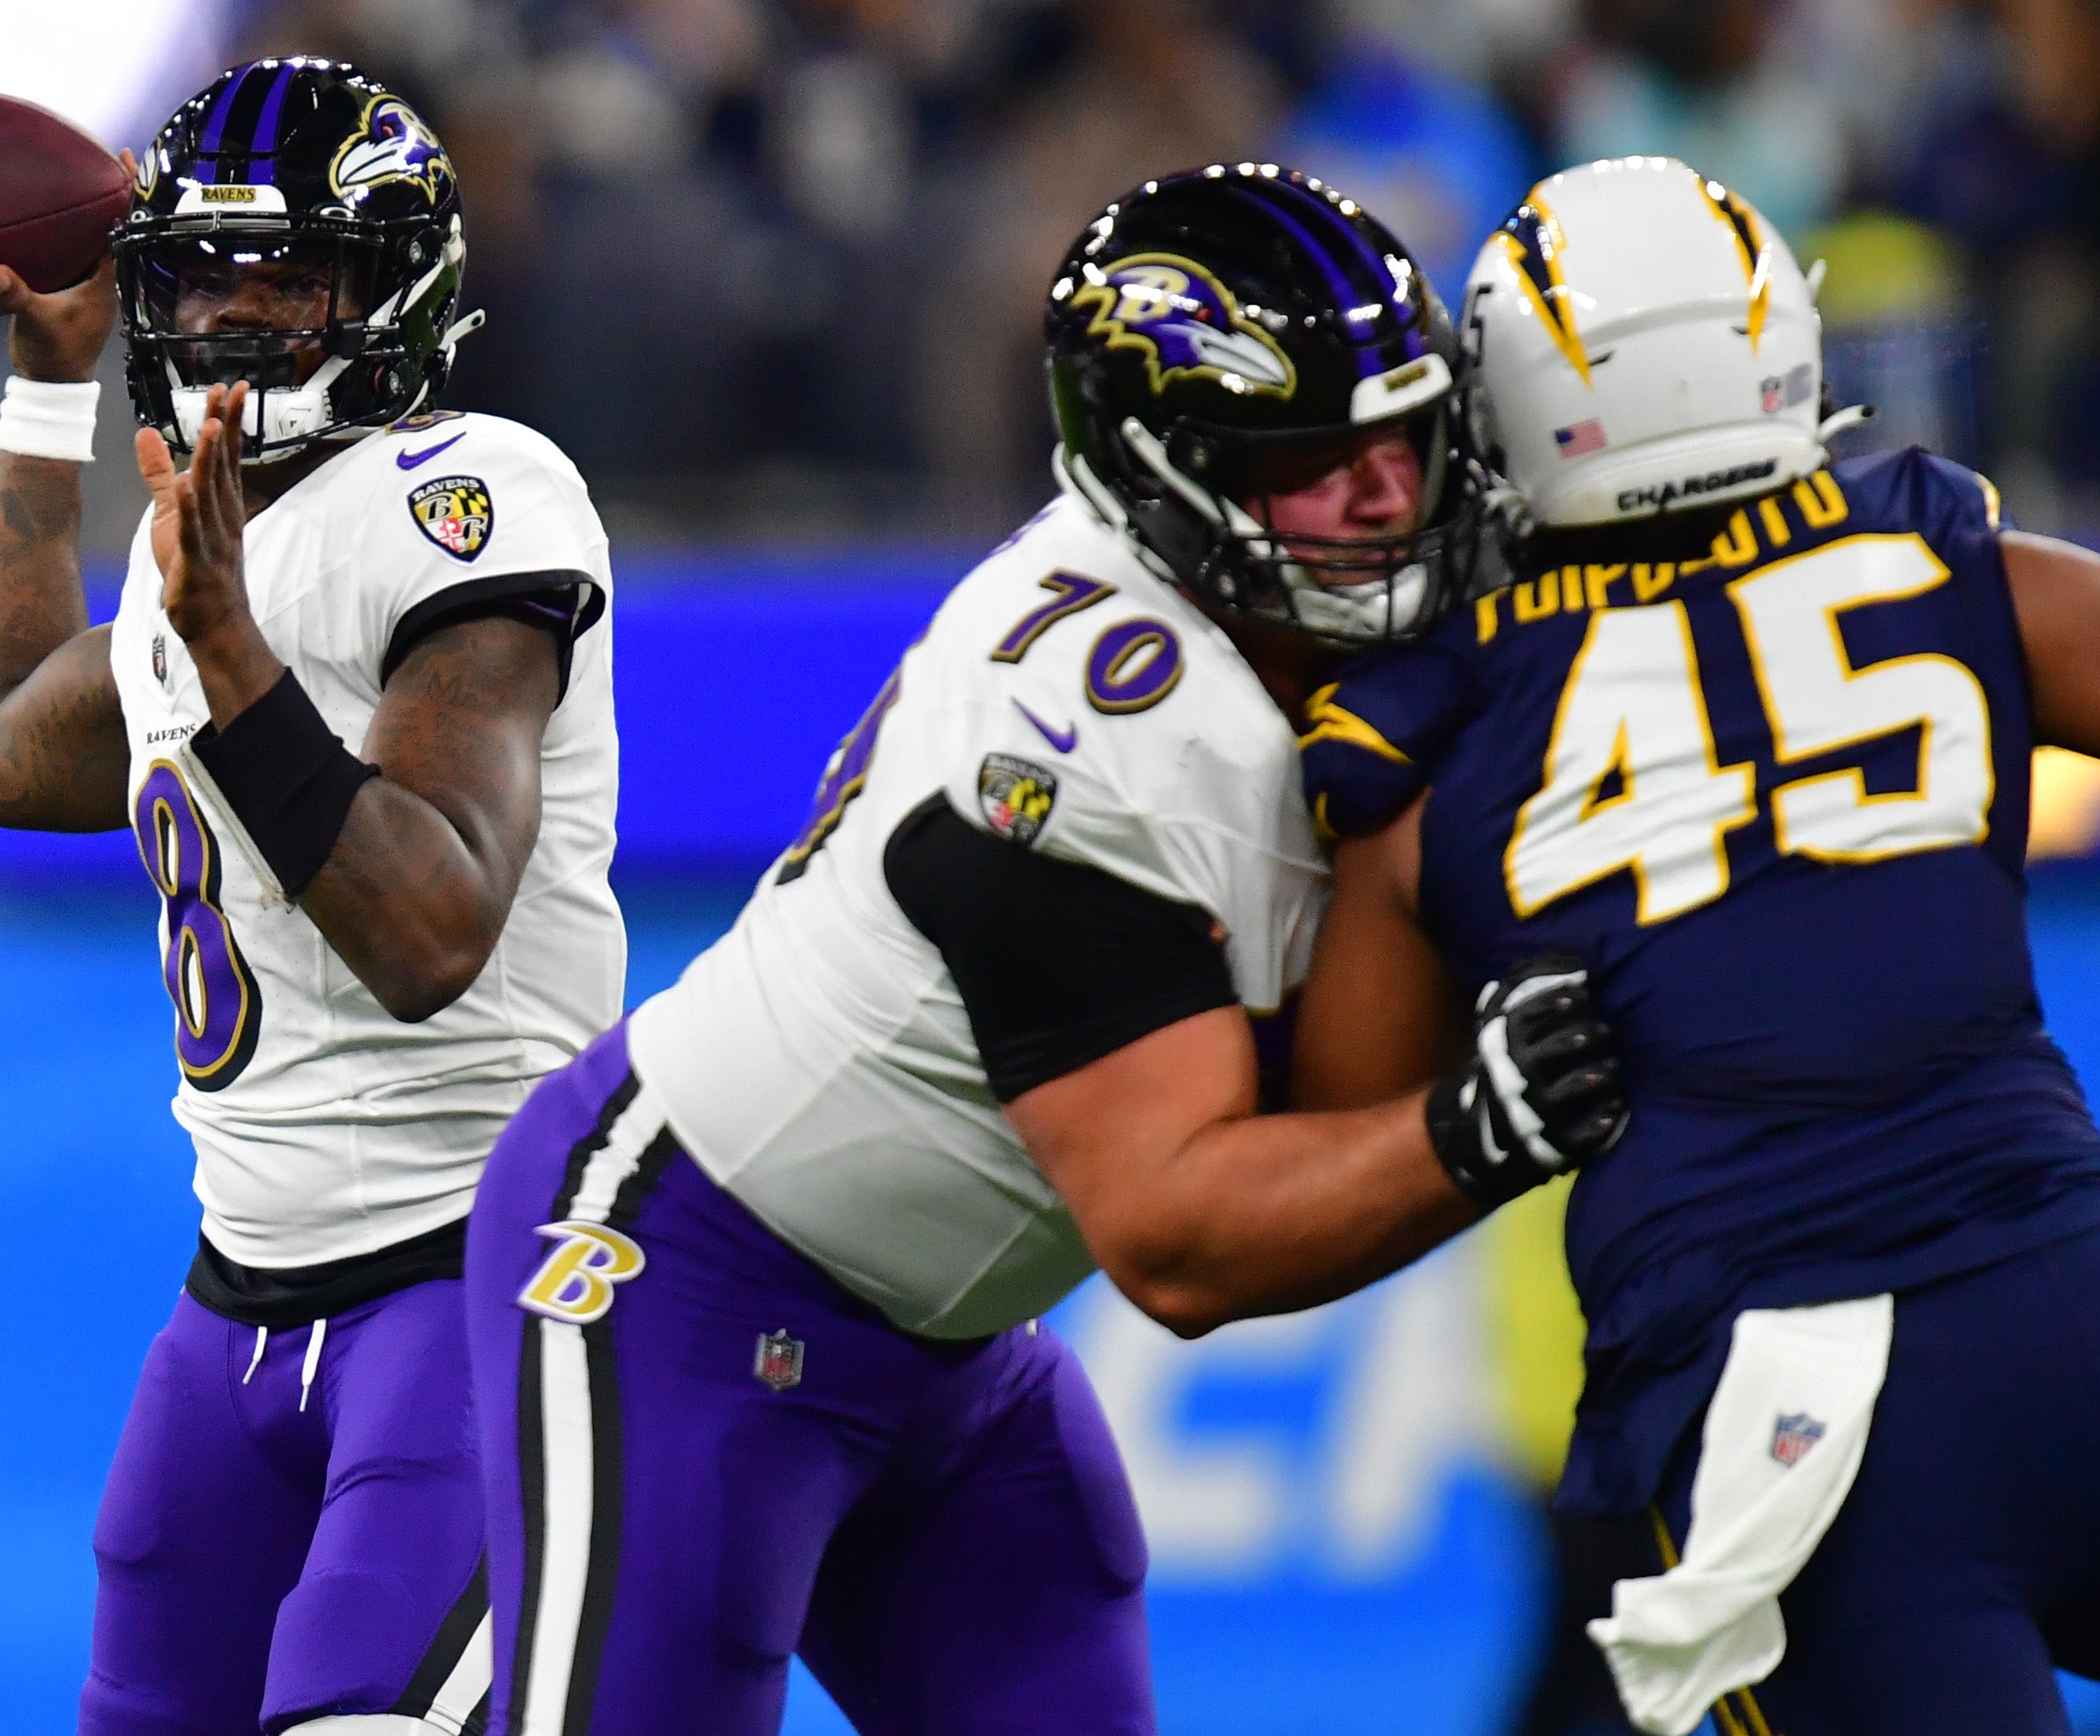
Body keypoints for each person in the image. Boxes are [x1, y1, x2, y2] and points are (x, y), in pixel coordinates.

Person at [461, 164, 1627, 1736]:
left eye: (1398, 441)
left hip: (948, 1339)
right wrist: (1475, 1132)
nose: (1377, 499)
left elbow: (1337, 1070)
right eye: (1307, 462)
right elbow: (1177, 1239)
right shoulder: (1080, 735)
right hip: (682, 1276)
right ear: (1163, 473)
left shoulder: (1351, 580)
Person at [1298, 156, 2100, 1736]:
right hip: (2055, 1286)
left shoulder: (1432, 724)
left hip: (1778, 1403)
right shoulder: (1943, 558)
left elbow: (1335, 1118)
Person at [0, 58, 623, 1736]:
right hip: (233, 1303)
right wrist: (48, 392)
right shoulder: (203, 555)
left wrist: (229, 648)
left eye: (287, 270)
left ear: (391, 285)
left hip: (471, 1274)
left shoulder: (465, 490)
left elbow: (429, 930)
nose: (236, 316)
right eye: (200, 274)